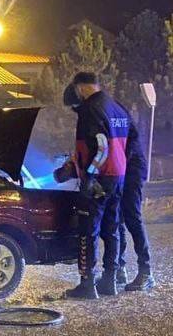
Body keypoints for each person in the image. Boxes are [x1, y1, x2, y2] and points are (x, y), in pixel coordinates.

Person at [54, 72, 132, 300]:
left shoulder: (90, 109)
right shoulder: (117, 107)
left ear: (80, 88)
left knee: (88, 231)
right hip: (118, 176)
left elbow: (101, 147)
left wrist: (88, 176)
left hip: (99, 179)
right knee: (112, 229)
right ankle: (110, 280)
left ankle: (87, 284)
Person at [116, 111, 155, 291]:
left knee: (132, 219)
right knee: (117, 221)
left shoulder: (114, 116)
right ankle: (119, 268)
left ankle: (146, 272)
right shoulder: (111, 113)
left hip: (131, 171)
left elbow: (126, 151)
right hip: (121, 171)